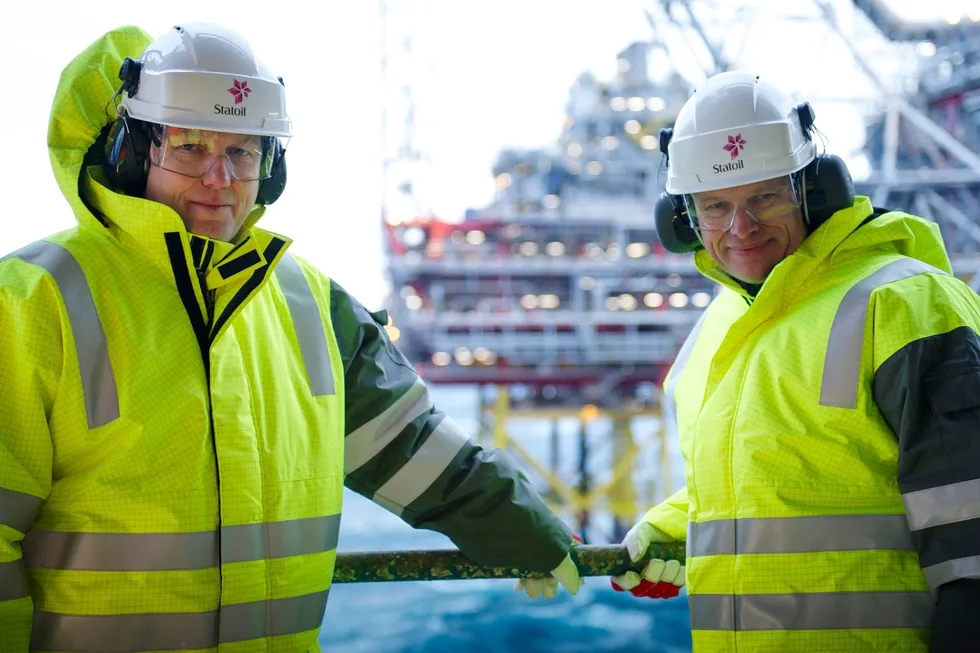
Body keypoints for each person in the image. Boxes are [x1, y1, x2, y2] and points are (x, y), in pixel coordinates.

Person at [0, 24, 581, 652]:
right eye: (190, 147)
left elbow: (409, 449)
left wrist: (538, 536)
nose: (218, 179)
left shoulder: (310, 302)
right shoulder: (32, 303)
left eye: (243, 152)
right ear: (132, 151)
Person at [610, 70, 980, 652]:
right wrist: (682, 522)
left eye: (764, 196)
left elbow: (971, 530)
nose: (741, 228)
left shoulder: (904, 302)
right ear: (683, 220)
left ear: (813, 188)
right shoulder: (718, 328)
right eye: (715, 207)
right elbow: (794, 480)